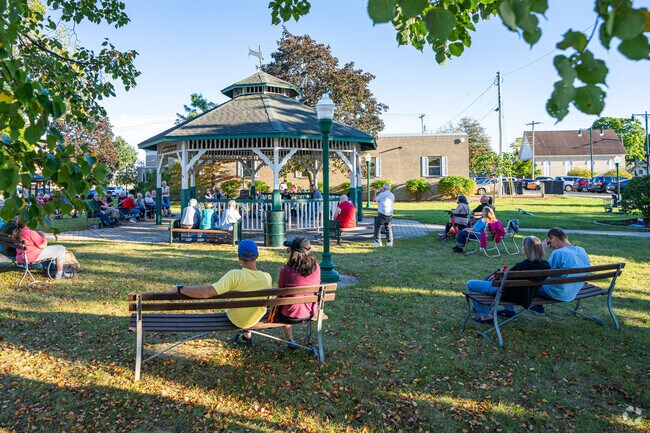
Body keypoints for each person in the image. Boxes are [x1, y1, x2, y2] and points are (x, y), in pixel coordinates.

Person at [172, 239, 272, 346]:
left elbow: (206, 292)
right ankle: (246, 336)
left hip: (236, 319)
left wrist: (180, 288)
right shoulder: (267, 277)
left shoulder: (234, 275)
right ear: (257, 255)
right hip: (255, 318)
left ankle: (246, 336)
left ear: (239, 257)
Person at [465, 236, 551, 323]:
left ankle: (486, 316)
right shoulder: (546, 266)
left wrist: (499, 275)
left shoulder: (521, 266)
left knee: (470, 284)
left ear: (525, 249)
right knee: (490, 279)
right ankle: (508, 311)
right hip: (527, 295)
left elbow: (504, 283)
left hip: (508, 294)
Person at [532, 227, 591, 316]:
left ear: (554, 238)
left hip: (557, 293)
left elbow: (542, 273)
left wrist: (541, 251)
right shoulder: (581, 250)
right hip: (572, 292)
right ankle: (537, 307)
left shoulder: (559, 253)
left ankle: (534, 307)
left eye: (550, 242)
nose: (551, 246)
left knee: (529, 281)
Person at [277, 237, 321, 349]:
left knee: (285, 304)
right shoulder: (317, 267)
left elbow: (280, 291)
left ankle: (289, 339)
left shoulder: (285, 270)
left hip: (288, 315)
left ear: (292, 252)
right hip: (310, 312)